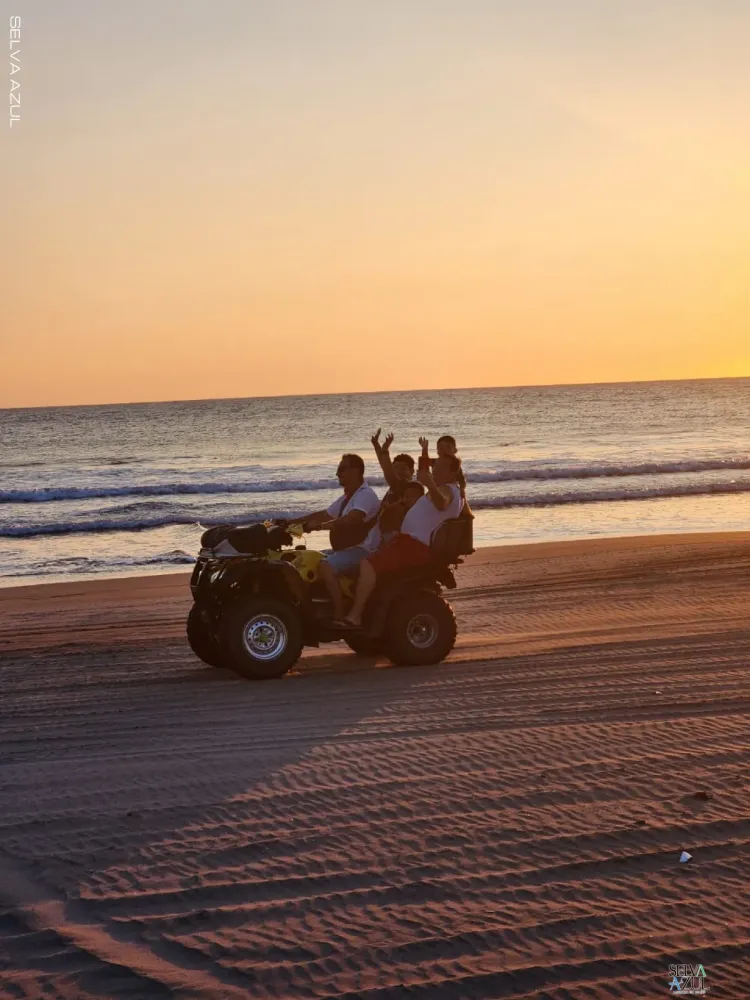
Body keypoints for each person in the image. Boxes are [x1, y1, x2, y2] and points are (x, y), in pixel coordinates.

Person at [342, 448, 464, 627]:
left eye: (439, 468)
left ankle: (355, 615)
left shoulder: (447, 490)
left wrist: (430, 484)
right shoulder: (450, 490)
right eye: (435, 467)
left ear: (452, 472)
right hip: (408, 542)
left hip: (414, 546)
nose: (434, 470)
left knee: (367, 565)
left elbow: (442, 503)